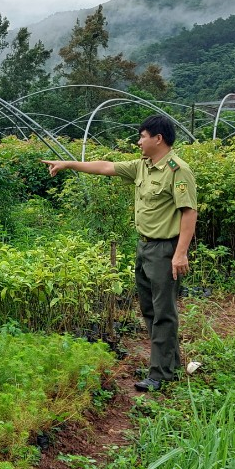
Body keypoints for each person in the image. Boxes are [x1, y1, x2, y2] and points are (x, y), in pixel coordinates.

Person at [42, 114, 197, 392]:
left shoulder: (177, 170)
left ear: (158, 139)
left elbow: (188, 212)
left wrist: (180, 253)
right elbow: (105, 167)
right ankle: (168, 363)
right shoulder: (142, 167)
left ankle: (159, 374)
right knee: (149, 308)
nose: (139, 142)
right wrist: (68, 164)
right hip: (145, 246)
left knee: (164, 311)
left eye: (142, 136)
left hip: (165, 249)